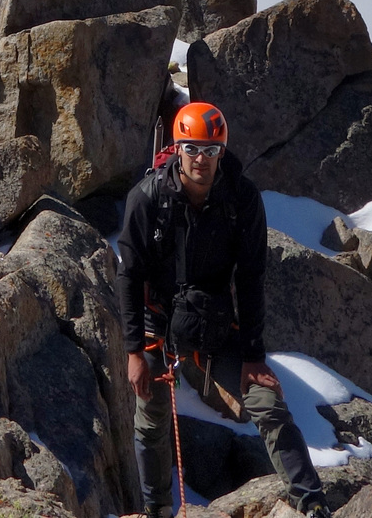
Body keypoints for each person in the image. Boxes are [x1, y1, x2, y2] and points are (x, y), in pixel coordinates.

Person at [116, 101, 331, 518]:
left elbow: (251, 277)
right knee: (151, 416)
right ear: (178, 148)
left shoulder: (241, 198)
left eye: (211, 150)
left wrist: (253, 356)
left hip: (214, 322)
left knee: (267, 402)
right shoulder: (147, 199)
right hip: (156, 322)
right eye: (193, 148)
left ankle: (312, 503)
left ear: (222, 151)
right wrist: (134, 351)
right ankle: (157, 508)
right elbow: (129, 276)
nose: (202, 159)